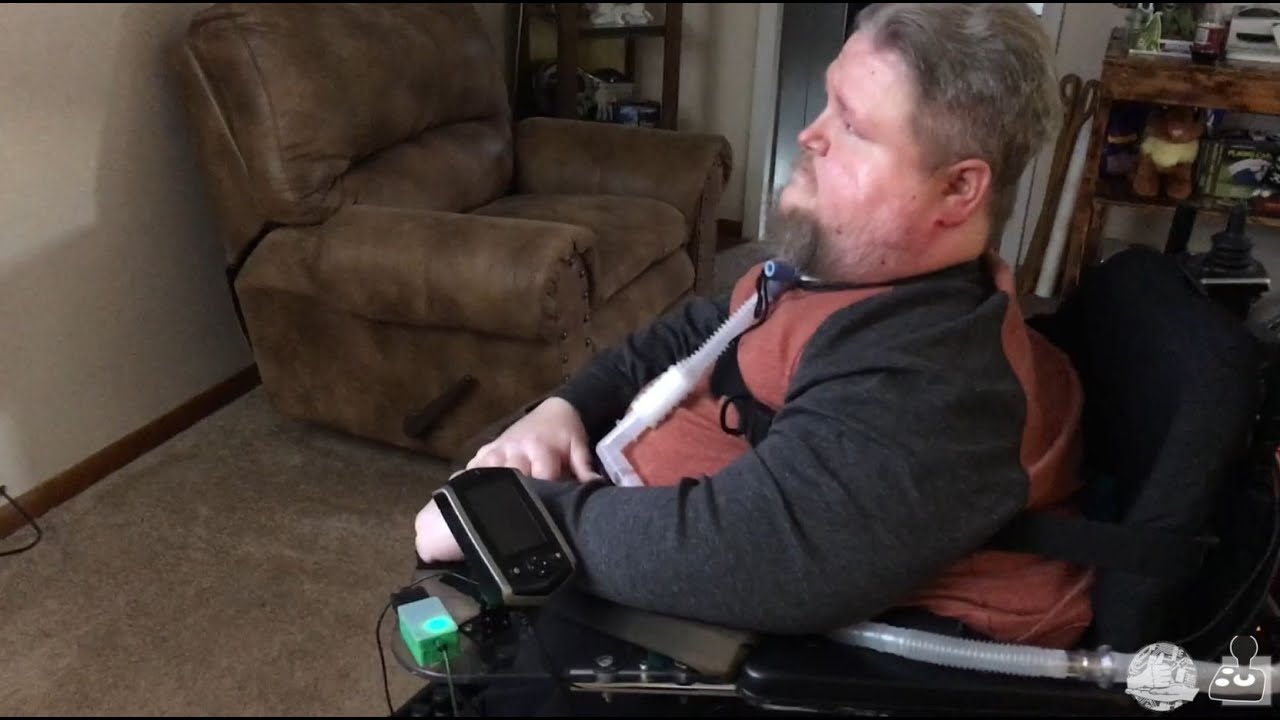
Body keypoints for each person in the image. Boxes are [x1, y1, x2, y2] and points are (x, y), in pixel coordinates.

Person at [416, 2, 1093, 650]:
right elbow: (699, 330)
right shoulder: (846, 270)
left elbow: (760, 554)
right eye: (828, 101)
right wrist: (565, 408)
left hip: (776, 651)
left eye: (853, 127)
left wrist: (515, 526)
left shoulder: (931, 376)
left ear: (958, 189)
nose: (810, 135)